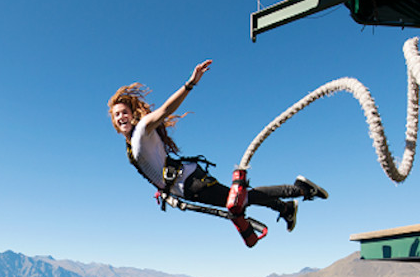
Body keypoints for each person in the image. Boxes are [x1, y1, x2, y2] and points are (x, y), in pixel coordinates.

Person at [108, 59, 328, 232]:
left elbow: (166, 109)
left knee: (240, 200)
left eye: (124, 113)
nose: (121, 117)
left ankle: (300, 190)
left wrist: (190, 84)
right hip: (184, 186)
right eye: (116, 115)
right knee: (240, 199)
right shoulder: (131, 145)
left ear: (133, 115)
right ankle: (285, 206)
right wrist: (162, 189)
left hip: (191, 182)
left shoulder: (143, 129)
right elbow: (154, 165)